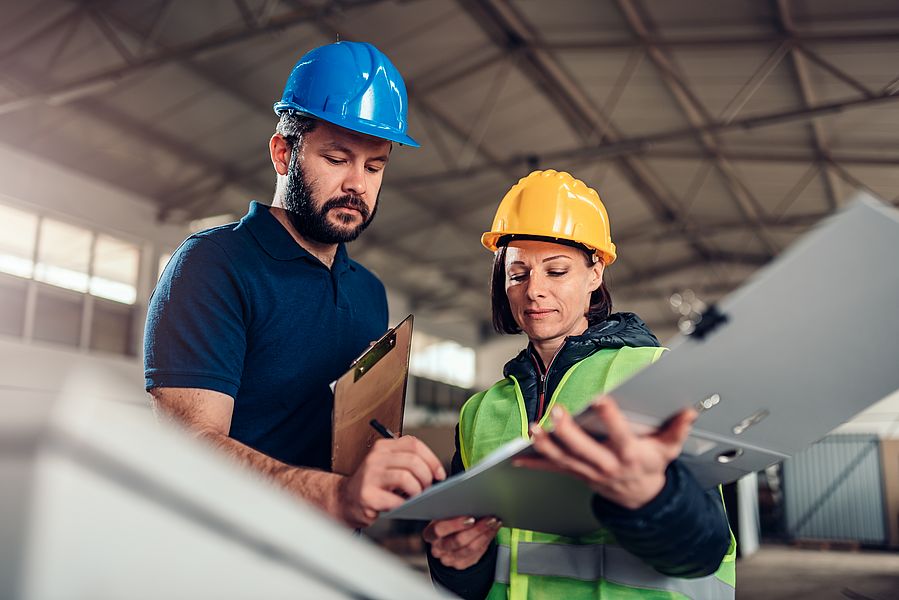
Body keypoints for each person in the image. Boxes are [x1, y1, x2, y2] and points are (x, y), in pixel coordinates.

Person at [144, 41, 444, 530]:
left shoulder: (369, 292)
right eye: (337, 158)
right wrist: (337, 496)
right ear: (283, 153)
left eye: (374, 166)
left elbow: (358, 439)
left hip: (328, 555)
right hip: (220, 554)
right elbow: (189, 446)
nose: (358, 185)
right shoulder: (213, 265)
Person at [424, 170, 736, 599]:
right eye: (518, 274)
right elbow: (472, 570)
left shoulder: (651, 373)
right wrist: (455, 561)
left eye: (556, 271)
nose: (534, 291)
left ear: (595, 273)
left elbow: (704, 549)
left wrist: (654, 499)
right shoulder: (479, 413)